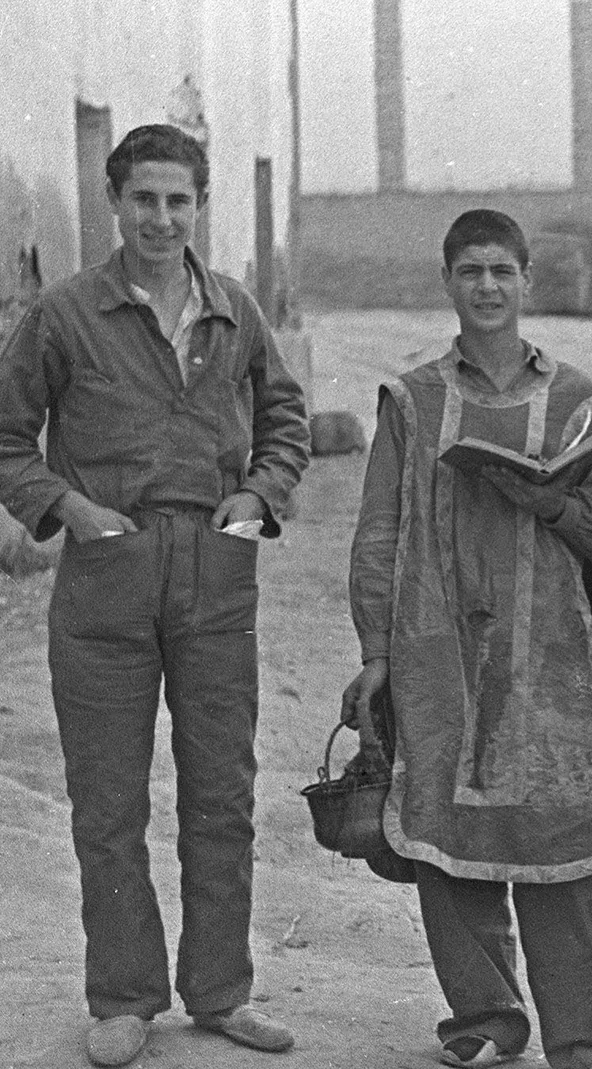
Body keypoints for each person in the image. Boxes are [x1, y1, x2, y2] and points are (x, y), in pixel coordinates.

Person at [0, 123, 309, 1066]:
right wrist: (68, 508)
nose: (161, 219)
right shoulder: (64, 313)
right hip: (108, 573)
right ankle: (125, 995)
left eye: (178, 200)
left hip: (215, 572)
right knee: (107, 801)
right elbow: (7, 436)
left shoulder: (235, 310)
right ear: (115, 202)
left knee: (222, 792)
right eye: (143, 199)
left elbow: (285, 416)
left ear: (200, 205)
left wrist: (259, 495)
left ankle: (219, 992)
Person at [342, 209, 592, 1069]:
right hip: (439, 652)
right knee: (448, 835)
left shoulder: (578, 399)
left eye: (502, 271)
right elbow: (378, 532)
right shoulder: (413, 400)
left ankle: (584, 1036)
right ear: (448, 282)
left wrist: (552, 500)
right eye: (470, 271)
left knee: (557, 833)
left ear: (526, 281)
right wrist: (376, 652)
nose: (487, 286)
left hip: (550, 657)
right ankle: (486, 1015)